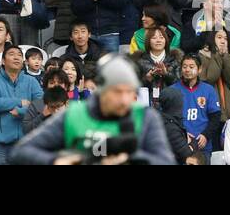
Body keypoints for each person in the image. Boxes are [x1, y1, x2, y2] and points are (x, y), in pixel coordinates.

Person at [11, 53, 175, 165]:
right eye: (117, 92)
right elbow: (21, 152)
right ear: (101, 90)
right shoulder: (74, 115)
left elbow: (166, 161)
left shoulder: (145, 117)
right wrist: (57, 160)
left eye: (130, 92)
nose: (125, 100)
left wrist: (128, 157)